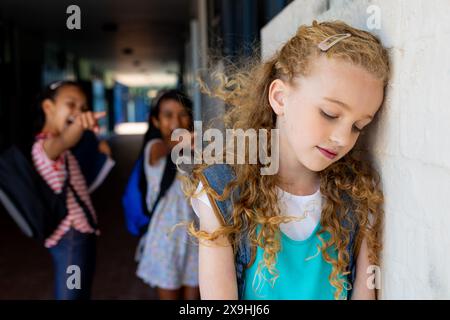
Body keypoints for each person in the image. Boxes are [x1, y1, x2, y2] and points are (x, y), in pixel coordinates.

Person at [184, 20, 390, 300]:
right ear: (280, 98)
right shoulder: (222, 191)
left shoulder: (357, 195)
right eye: (330, 113)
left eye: (358, 126)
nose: (343, 138)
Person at [31, 80, 104, 299]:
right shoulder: (46, 146)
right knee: (72, 294)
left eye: (82, 108)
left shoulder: (59, 148)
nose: (78, 112)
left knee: (79, 292)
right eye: (71, 104)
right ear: (48, 107)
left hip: (78, 235)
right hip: (71, 237)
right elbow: (66, 138)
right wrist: (80, 124)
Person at [136, 90, 200, 300]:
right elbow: (161, 150)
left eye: (183, 114)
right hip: (166, 239)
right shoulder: (154, 147)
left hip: (196, 237)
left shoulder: (195, 150)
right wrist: (183, 141)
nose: (176, 120)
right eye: (168, 114)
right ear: (155, 121)